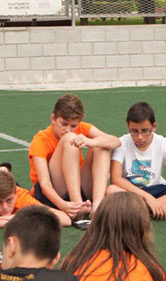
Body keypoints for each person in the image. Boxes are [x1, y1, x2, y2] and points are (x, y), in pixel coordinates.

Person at [28, 93, 120, 223]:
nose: (68, 129)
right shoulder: (41, 140)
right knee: (70, 139)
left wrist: (91, 142)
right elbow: (44, 184)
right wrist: (62, 205)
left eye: (73, 126)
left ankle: (97, 205)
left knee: (101, 144)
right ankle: (77, 206)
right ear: (53, 119)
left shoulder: (81, 128)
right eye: (63, 124)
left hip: (79, 186)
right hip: (54, 194)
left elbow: (115, 141)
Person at [0, 166, 68, 229]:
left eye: (9, 200)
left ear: (15, 194)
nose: (4, 207)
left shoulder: (22, 199)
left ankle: (3, 170)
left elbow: (65, 219)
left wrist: (4, 220)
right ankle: (2, 170)